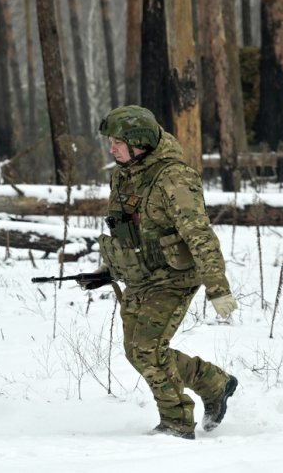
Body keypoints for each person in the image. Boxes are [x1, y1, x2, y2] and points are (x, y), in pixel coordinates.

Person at [87, 105, 239, 440]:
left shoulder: (174, 178)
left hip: (174, 278)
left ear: (138, 143)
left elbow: (199, 234)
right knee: (136, 351)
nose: (111, 148)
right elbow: (130, 233)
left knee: (148, 350)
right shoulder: (126, 173)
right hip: (141, 276)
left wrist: (218, 288)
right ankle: (214, 383)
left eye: (116, 142)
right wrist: (106, 270)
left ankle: (176, 424)